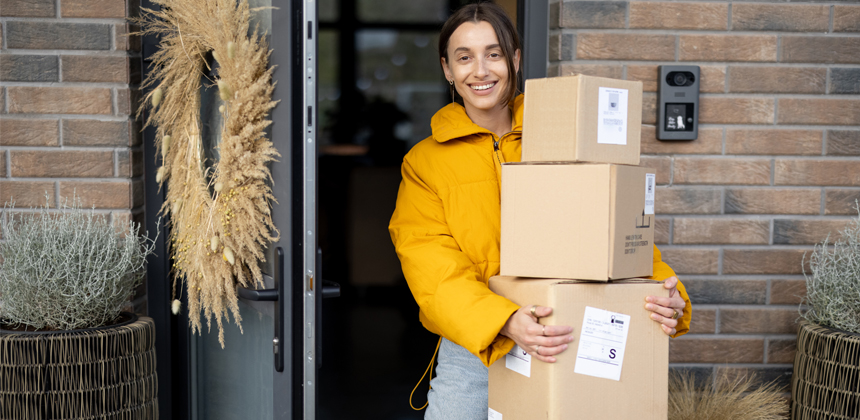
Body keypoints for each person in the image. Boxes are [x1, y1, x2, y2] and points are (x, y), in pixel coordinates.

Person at [388, 3, 692, 419]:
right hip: (476, 348)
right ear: (447, 69)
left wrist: (663, 294)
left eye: (494, 54)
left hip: (569, 331)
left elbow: (615, 226)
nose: (480, 70)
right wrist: (504, 320)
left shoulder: (563, 136)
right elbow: (430, 264)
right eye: (464, 57)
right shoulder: (425, 162)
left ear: (515, 59)